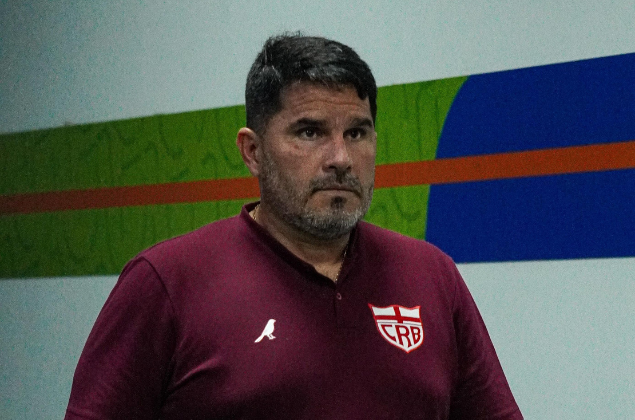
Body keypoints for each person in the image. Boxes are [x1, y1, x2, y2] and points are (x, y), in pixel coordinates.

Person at [65, 34, 523, 420]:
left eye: (357, 133)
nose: (341, 158)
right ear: (253, 152)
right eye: (310, 132)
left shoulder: (432, 275)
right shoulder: (166, 282)